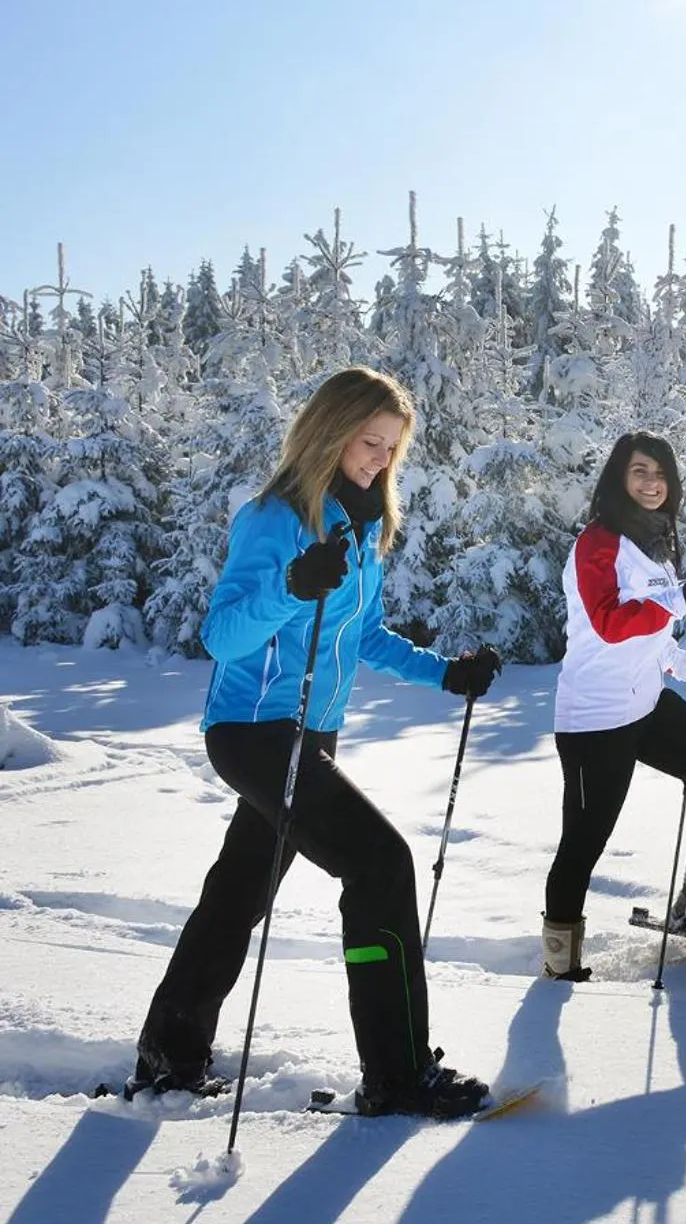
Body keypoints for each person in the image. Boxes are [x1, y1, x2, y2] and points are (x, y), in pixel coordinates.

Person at [130, 368, 504, 1118]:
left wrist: (444, 674)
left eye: (391, 449)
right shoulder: (274, 519)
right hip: (255, 730)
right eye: (370, 442)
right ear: (330, 432)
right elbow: (223, 635)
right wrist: (292, 586)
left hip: (312, 733)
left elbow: (362, 635)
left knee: (238, 892)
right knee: (381, 866)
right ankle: (397, 1074)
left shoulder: (363, 530)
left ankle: (169, 1055)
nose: (379, 459)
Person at [543, 430, 686, 981]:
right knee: (585, 842)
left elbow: (652, 636)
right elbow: (614, 623)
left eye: (660, 473)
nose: (651, 482)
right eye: (639, 471)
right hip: (595, 719)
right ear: (619, 477)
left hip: (646, 705)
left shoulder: (655, 543)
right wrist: (685, 597)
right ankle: (559, 962)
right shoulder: (598, 543)